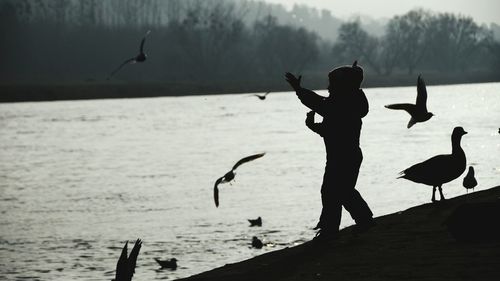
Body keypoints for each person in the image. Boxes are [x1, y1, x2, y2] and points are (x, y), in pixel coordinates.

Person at [285, 61, 374, 240]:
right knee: (337, 191)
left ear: (342, 87)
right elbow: (331, 130)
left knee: (339, 191)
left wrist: (299, 90)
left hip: (343, 157)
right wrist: (314, 126)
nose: (328, 88)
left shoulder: (341, 105)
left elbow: (318, 104)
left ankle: (337, 227)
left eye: (332, 84)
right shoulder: (350, 104)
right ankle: (344, 225)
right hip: (343, 156)